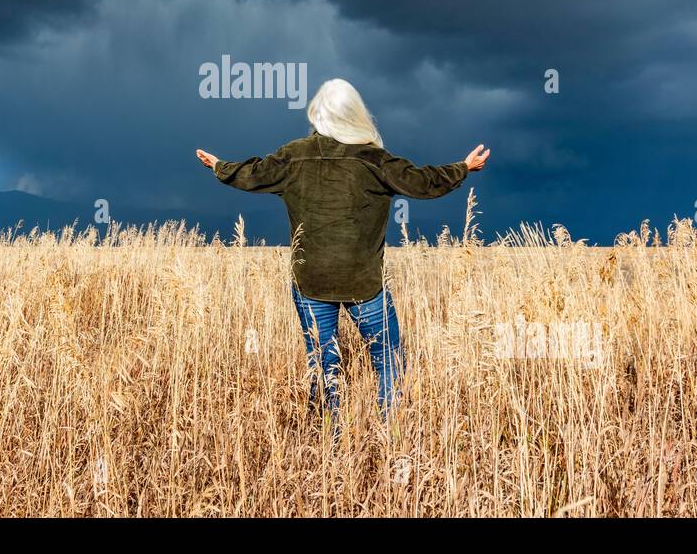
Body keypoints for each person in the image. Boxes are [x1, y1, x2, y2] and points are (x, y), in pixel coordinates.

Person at [196, 78, 490, 423]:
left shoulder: (294, 156)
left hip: (311, 281)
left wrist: (220, 167)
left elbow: (254, 173)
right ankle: (389, 432)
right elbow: (422, 181)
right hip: (363, 283)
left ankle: (326, 441)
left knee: (323, 364)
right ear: (356, 115)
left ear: (317, 116)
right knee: (388, 358)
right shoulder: (375, 160)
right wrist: (463, 168)